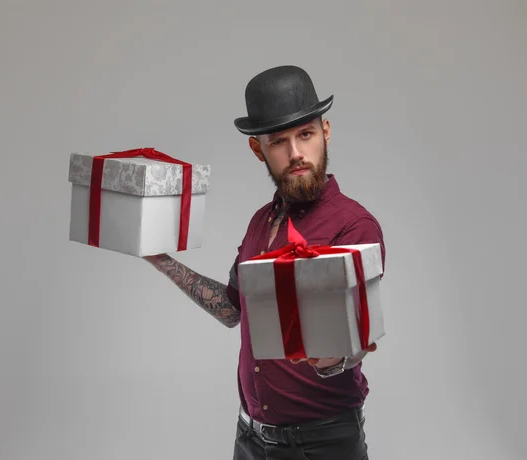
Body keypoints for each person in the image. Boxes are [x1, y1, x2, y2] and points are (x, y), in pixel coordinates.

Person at [144, 65, 386, 460]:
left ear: (325, 132)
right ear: (259, 150)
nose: (295, 154)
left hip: (320, 444)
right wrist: (157, 257)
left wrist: (332, 356)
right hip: (250, 437)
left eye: (305, 135)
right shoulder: (261, 222)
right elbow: (231, 309)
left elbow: (352, 342)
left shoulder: (354, 225)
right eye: (279, 142)